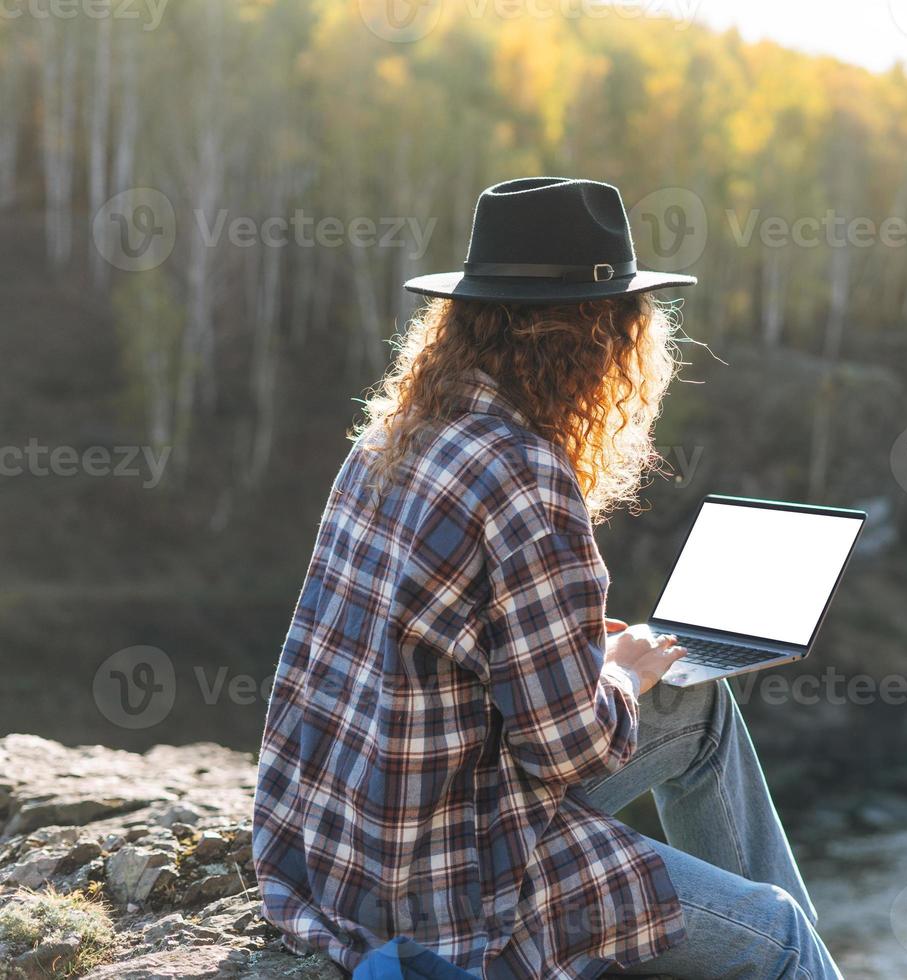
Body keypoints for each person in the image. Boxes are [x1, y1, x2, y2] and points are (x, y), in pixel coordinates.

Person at [252, 177, 843, 979]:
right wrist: (620, 675)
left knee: (699, 700)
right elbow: (568, 749)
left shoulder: (393, 435)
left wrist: (567, 654)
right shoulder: (524, 473)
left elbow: (430, 649)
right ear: (599, 335)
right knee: (777, 934)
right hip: (442, 878)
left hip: (332, 842)